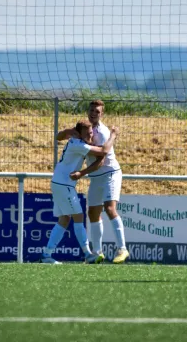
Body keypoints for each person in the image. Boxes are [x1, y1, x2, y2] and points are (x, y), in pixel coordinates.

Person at [57, 100, 129, 264]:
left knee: (110, 208)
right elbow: (58, 137)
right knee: (92, 214)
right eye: (91, 110)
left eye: (97, 111)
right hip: (96, 176)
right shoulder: (83, 129)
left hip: (110, 173)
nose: (93, 113)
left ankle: (122, 249)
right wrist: (68, 131)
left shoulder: (102, 132)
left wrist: (81, 173)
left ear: (101, 114)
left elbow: (101, 161)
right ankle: (97, 253)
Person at [41, 120, 119, 265]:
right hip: (64, 184)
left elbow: (59, 136)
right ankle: (88, 254)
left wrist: (67, 131)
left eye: (91, 133)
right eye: (87, 134)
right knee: (79, 216)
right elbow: (103, 151)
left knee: (64, 219)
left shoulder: (77, 142)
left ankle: (46, 255)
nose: (90, 136)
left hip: (59, 183)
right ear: (79, 134)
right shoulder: (78, 145)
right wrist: (113, 135)